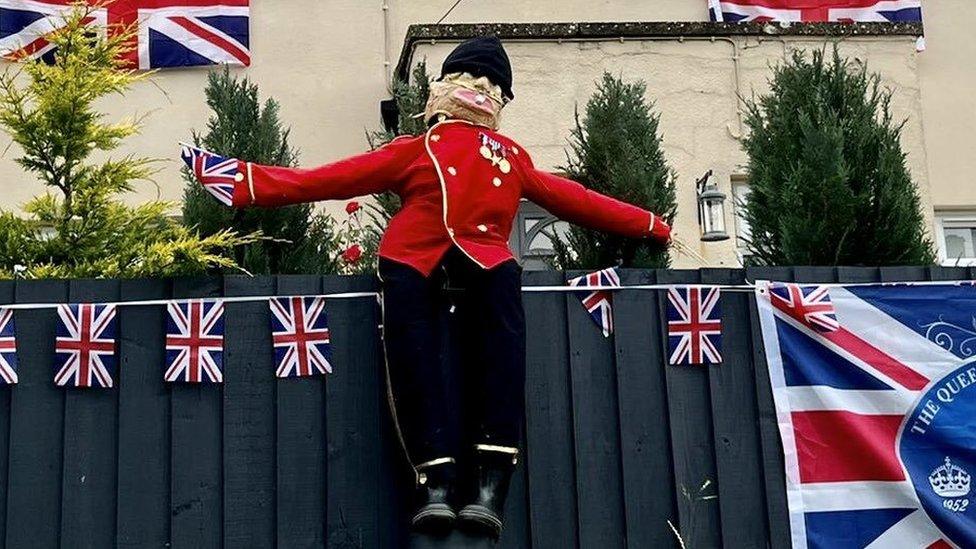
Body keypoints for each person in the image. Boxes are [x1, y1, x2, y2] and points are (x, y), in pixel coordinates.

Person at [182, 36, 671, 539]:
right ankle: (433, 480)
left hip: (486, 260)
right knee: (412, 362)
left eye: (486, 85)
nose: (477, 92)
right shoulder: (416, 151)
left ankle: (490, 485)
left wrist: (649, 223)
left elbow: (577, 199)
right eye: (470, 82)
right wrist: (242, 182)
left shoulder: (510, 157)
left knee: (503, 360)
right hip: (413, 259)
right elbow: (328, 180)